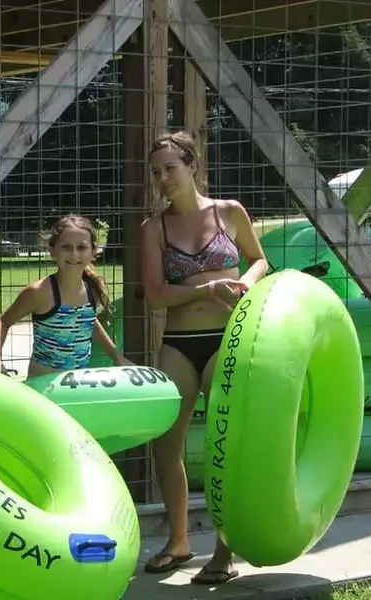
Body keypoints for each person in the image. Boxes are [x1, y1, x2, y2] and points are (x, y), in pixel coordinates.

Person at [140, 131, 268, 584]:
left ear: (191, 165)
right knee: (166, 445)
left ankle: (224, 551)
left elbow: (258, 260)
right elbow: (156, 295)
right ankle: (178, 542)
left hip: (227, 339)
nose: (163, 178)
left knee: (224, 445)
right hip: (178, 343)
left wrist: (248, 283)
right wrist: (207, 287)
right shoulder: (153, 228)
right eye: (156, 172)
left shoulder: (229, 212)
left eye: (170, 168)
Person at [0, 214, 131, 377]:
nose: (74, 254)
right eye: (66, 247)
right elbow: (3, 322)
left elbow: (86, 321)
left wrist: (118, 357)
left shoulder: (91, 289)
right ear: (52, 250)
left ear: (93, 252)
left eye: (81, 247)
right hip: (43, 389)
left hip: (78, 389)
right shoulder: (40, 292)